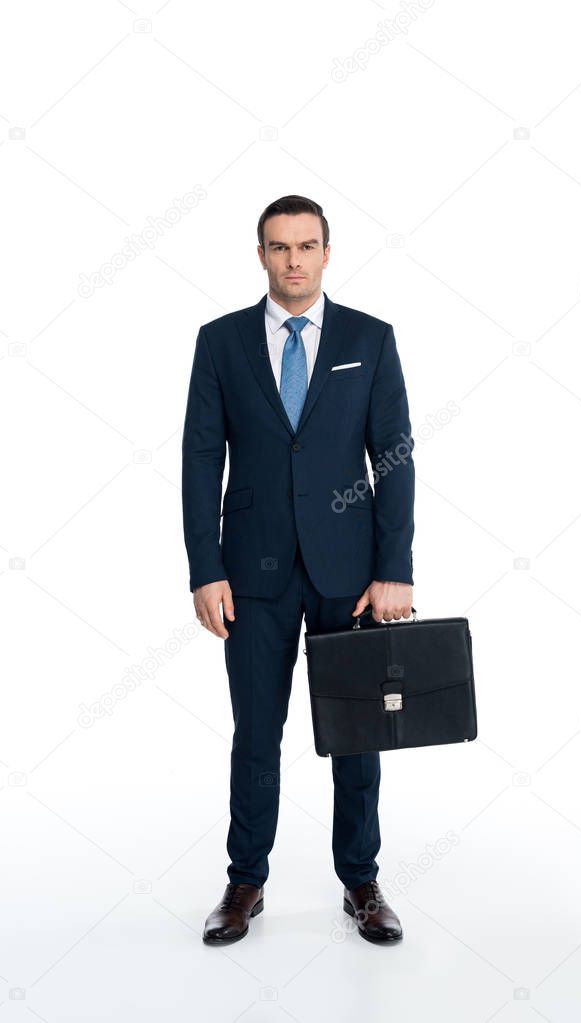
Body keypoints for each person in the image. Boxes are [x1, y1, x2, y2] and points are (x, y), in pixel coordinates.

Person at [181, 194, 415, 946]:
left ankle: (361, 882)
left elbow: (395, 459)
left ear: (325, 252)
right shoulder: (218, 342)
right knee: (256, 731)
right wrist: (203, 568)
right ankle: (244, 880)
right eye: (279, 248)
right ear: (260, 255)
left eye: (306, 246)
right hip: (250, 573)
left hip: (350, 575)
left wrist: (395, 569)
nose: (293, 260)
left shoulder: (368, 339)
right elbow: (197, 461)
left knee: (356, 732)